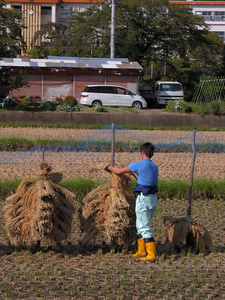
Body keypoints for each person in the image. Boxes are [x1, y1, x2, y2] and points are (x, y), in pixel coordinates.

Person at [105, 142, 158, 262]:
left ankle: (151, 255)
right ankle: (141, 251)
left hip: (144, 199)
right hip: (152, 199)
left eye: (140, 152)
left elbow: (118, 171)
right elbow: (143, 179)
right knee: (141, 225)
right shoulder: (154, 166)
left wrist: (108, 167)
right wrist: (134, 174)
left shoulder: (138, 164)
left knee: (144, 227)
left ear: (143, 152)